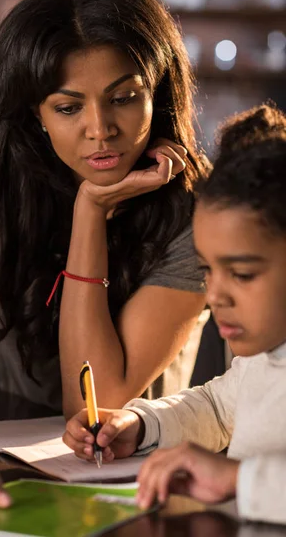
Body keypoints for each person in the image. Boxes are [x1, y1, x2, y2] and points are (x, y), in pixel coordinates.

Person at [0, 0, 208, 505]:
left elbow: (93, 401)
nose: (100, 129)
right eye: (68, 107)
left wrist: (90, 211)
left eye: (124, 98)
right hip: (11, 457)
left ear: (159, 93)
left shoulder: (197, 207)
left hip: (134, 482)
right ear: (34, 113)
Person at [64, 104, 286, 525]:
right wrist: (140, 425)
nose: (215, 294)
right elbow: (217, 410)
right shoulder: (261, 358)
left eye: (241, 273)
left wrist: (240, 479)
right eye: (207, 269)